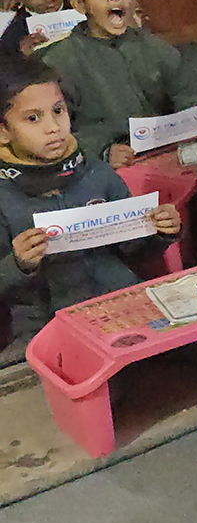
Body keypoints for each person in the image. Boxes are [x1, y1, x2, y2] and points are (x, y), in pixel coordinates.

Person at [0, 55, 180, 354]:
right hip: (47, 326)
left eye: (58, 111)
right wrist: (18, 263)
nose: (53, 127)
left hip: (123, 306)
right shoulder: (5, 195)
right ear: (3, 131)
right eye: (33, 118)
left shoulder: (95, 171)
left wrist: (160, 230)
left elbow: (133, 250)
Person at [41, 0, 197, 168]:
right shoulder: (60, 62)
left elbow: (185, 93)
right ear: (79, 4)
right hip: (103, 167)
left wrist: (191, 124)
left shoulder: (151, 46)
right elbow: (53, 130)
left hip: (164, 152)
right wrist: (102, 151)